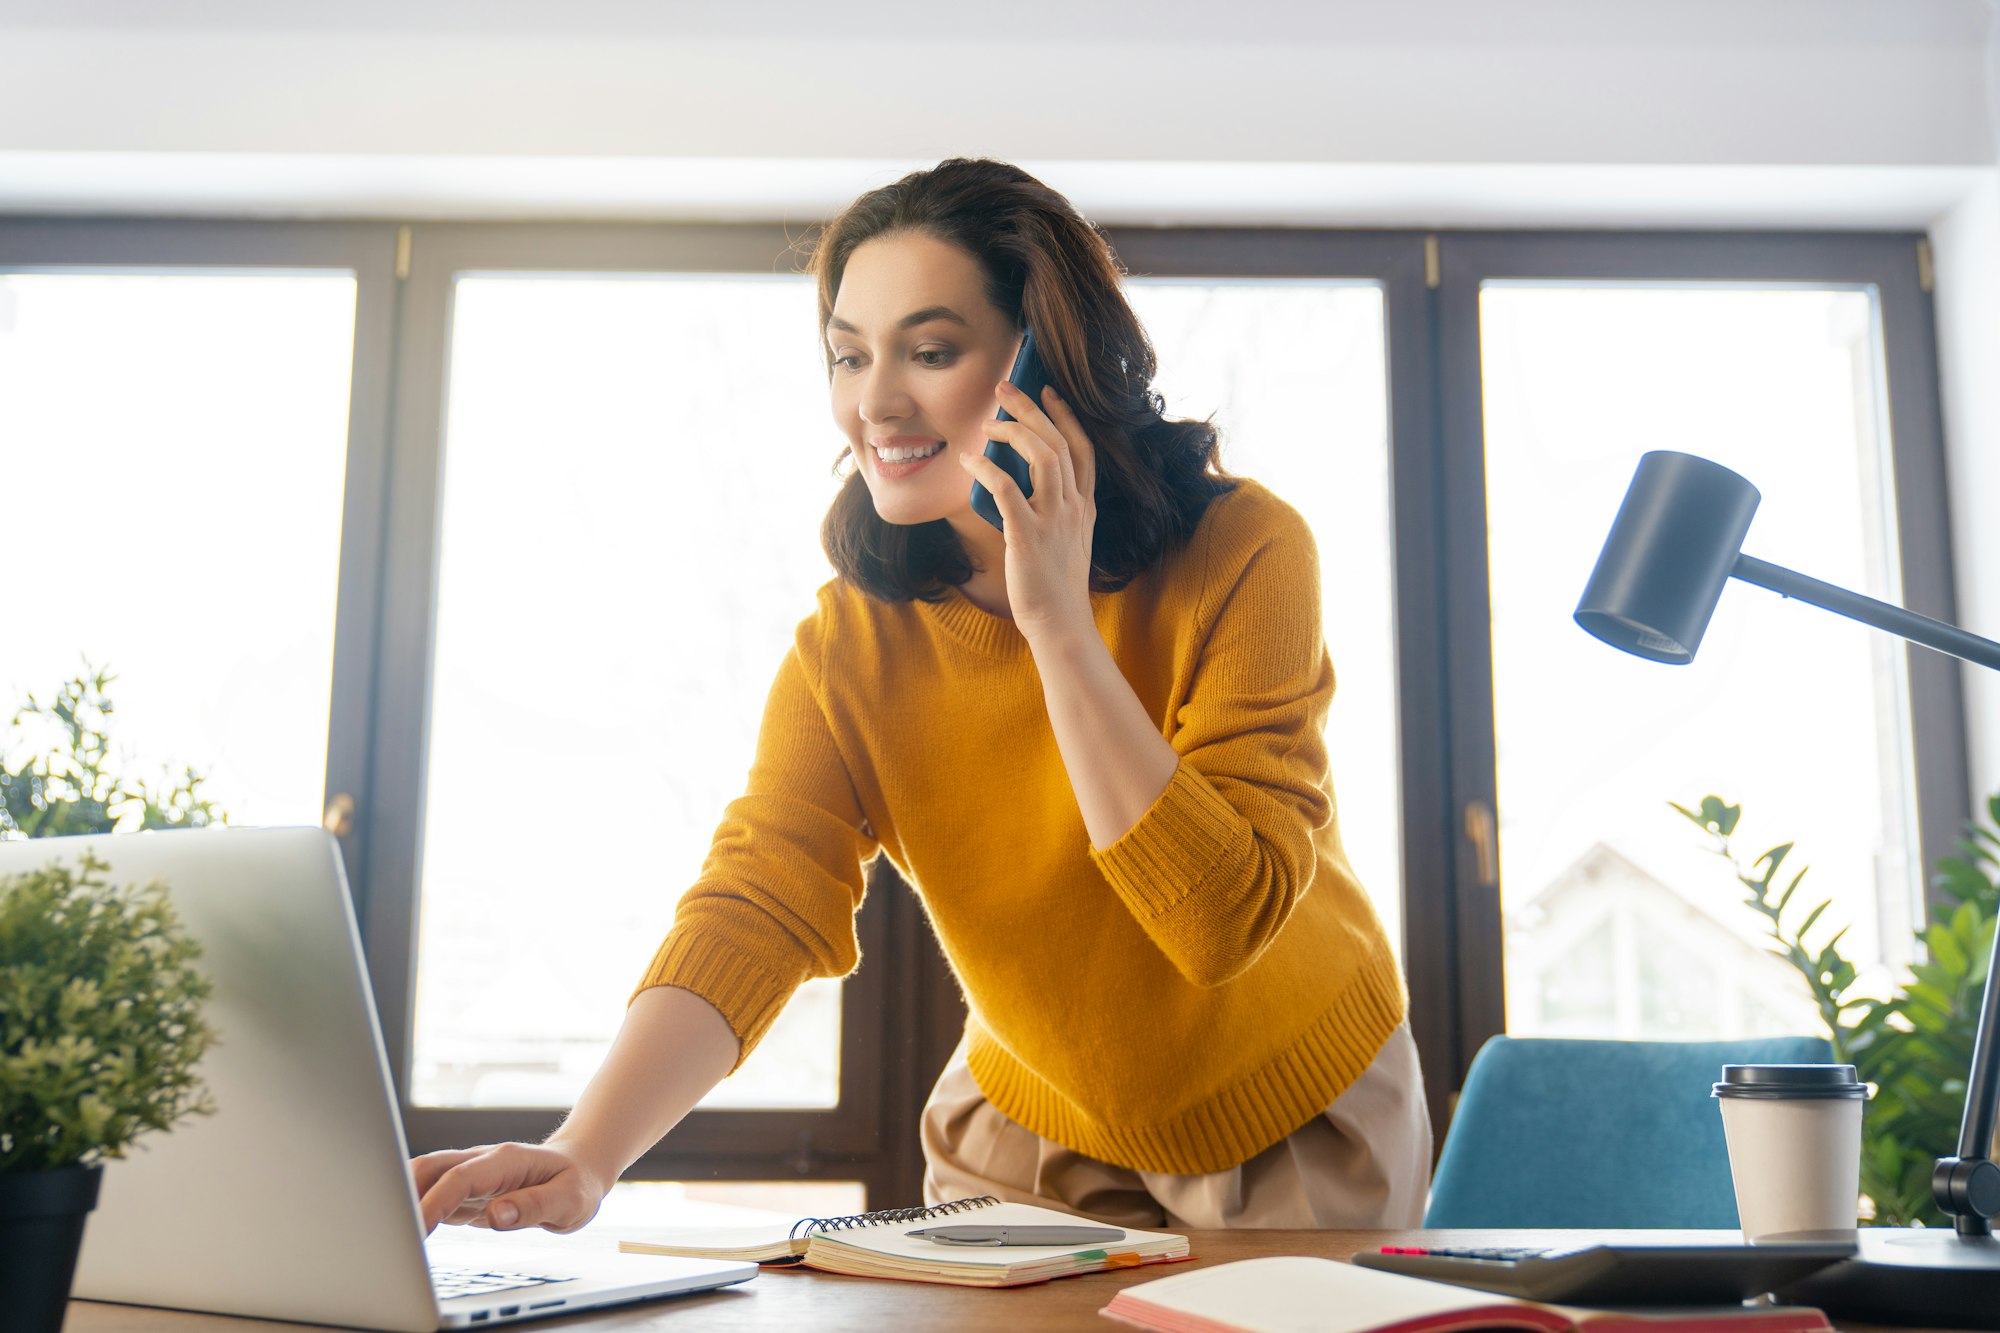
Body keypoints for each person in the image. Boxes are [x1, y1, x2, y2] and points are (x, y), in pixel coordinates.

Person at [413, 158, 1431, 1236]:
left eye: (929, 351)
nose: (873, 402)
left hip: (1286, 1107)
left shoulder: (1245, 550)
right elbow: (757, 901)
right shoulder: (848, 642)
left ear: (1048, 359)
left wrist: (1056, 626)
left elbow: (1219, 923)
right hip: (1027, 1121)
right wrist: (586, 1152)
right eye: (848, 355)